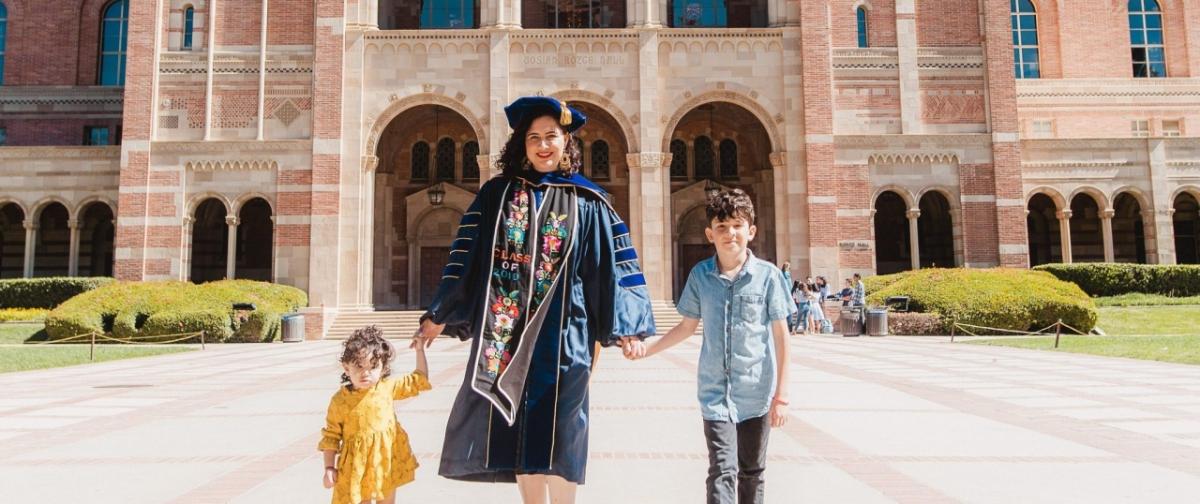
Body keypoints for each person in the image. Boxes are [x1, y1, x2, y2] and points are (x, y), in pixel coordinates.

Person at [412, 96, 656, 504]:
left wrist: (628, 326)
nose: (543, 145)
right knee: (519, 426)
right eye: (534, 138)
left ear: (567, 143)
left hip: (567, 339)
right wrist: (440, 313)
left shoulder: (589, 202)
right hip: (507, 338)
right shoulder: (497, 196)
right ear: (522, 145)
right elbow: (467, 255)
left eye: (552, 137)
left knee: (563, 428)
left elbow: (610, 266)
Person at [633, 189, 792, 504]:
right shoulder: (700, 276)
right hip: (715, 394)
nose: (730, 233)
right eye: (721, 227)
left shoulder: (769, 277)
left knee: (752, 470)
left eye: (737, 225)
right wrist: (646, 349)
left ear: (751, 231)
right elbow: (686, 326)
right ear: (709, 234)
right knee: (721, 468)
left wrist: (782, 396)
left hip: (756, 392)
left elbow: (781, 336)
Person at [319, 326, 430, 504]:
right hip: (356, 465)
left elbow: (419, 379)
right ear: (346, 368)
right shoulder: (340, 400)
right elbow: (331, 436)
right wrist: (329, 468)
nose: (366, 373)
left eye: (373, 366)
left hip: (385, 459)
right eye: (359, 366)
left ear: (383, 368)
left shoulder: (387, 387)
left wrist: (419, 350)